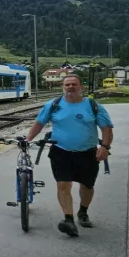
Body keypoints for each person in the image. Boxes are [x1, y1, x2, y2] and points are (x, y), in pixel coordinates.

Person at [24, 74, 114, 237]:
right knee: (63, 185)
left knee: (87, 186)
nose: (70, 87)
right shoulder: (53, 105)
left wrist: (105, 147)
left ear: (81, 87)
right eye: (67, 85)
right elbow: (39, 123)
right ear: (63, 87)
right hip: (60, 152)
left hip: (87, 153)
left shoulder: (93, 106)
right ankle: (69, 220)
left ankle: (83, 212)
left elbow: (106, 129)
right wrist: (28, 139)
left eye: (74, 84)